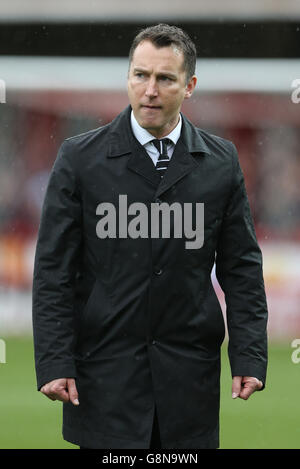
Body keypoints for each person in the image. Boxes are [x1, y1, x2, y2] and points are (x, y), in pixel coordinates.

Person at [32, 23, 268, 450]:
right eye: (140, 75)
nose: (150, 90)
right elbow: (54, 272)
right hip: (105, 377)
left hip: (188, 382)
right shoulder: (80, 159)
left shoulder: (220, 162)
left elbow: (242, 268)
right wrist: (53, 360)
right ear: (128, 78)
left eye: (164, 78)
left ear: (189, 85)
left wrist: (249, 354)